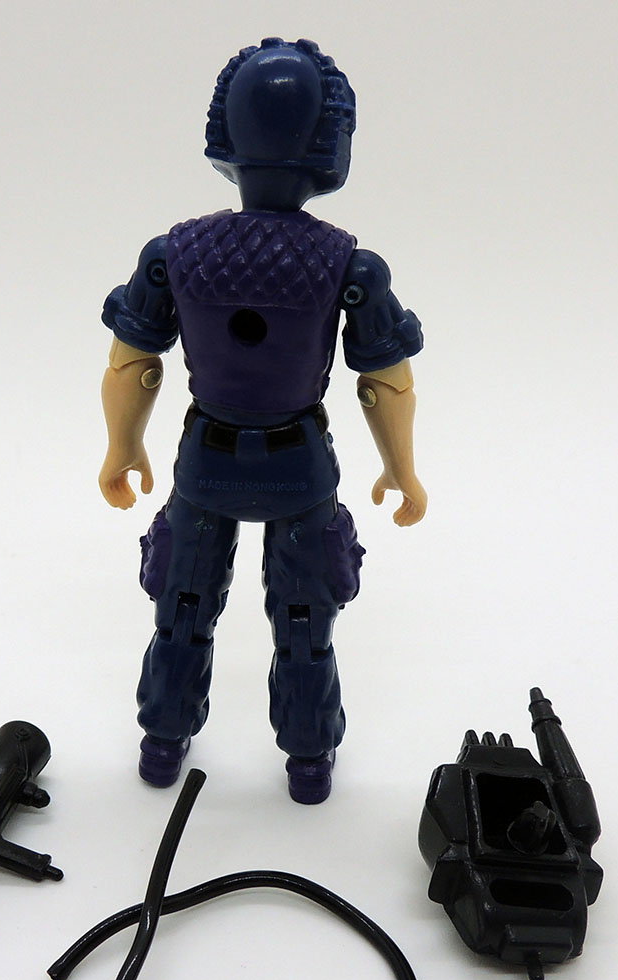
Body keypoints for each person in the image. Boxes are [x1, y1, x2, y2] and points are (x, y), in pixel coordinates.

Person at [99, 38, 426, 803]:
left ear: (227, 138)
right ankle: (309, 764)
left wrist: (122, 445)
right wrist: (401, 468)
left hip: (205, 461)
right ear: (328, 144)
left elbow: (132, 364)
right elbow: (385, 383)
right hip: (297, 464)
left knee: (182, 612)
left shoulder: (175, 253)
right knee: (305, 626)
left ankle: (162, 743)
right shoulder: (349, 265)